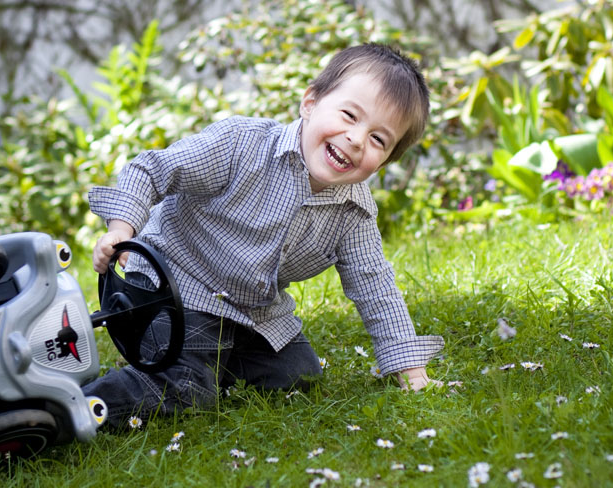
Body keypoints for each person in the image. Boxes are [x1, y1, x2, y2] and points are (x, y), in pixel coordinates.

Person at [83, 43, 444, 427]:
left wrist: (409, 369)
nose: (356, 139)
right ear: (310, 103)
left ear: (384, 162)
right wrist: (122, 227)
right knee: (186, 389)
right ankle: (77, 406)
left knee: (299, 376)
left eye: (378, 140)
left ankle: (203, 358)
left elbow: (377, 289)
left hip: (249, 310)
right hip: (173, 285)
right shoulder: (242, 144)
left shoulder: (353, 213)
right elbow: (153, 169)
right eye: (349, 115)